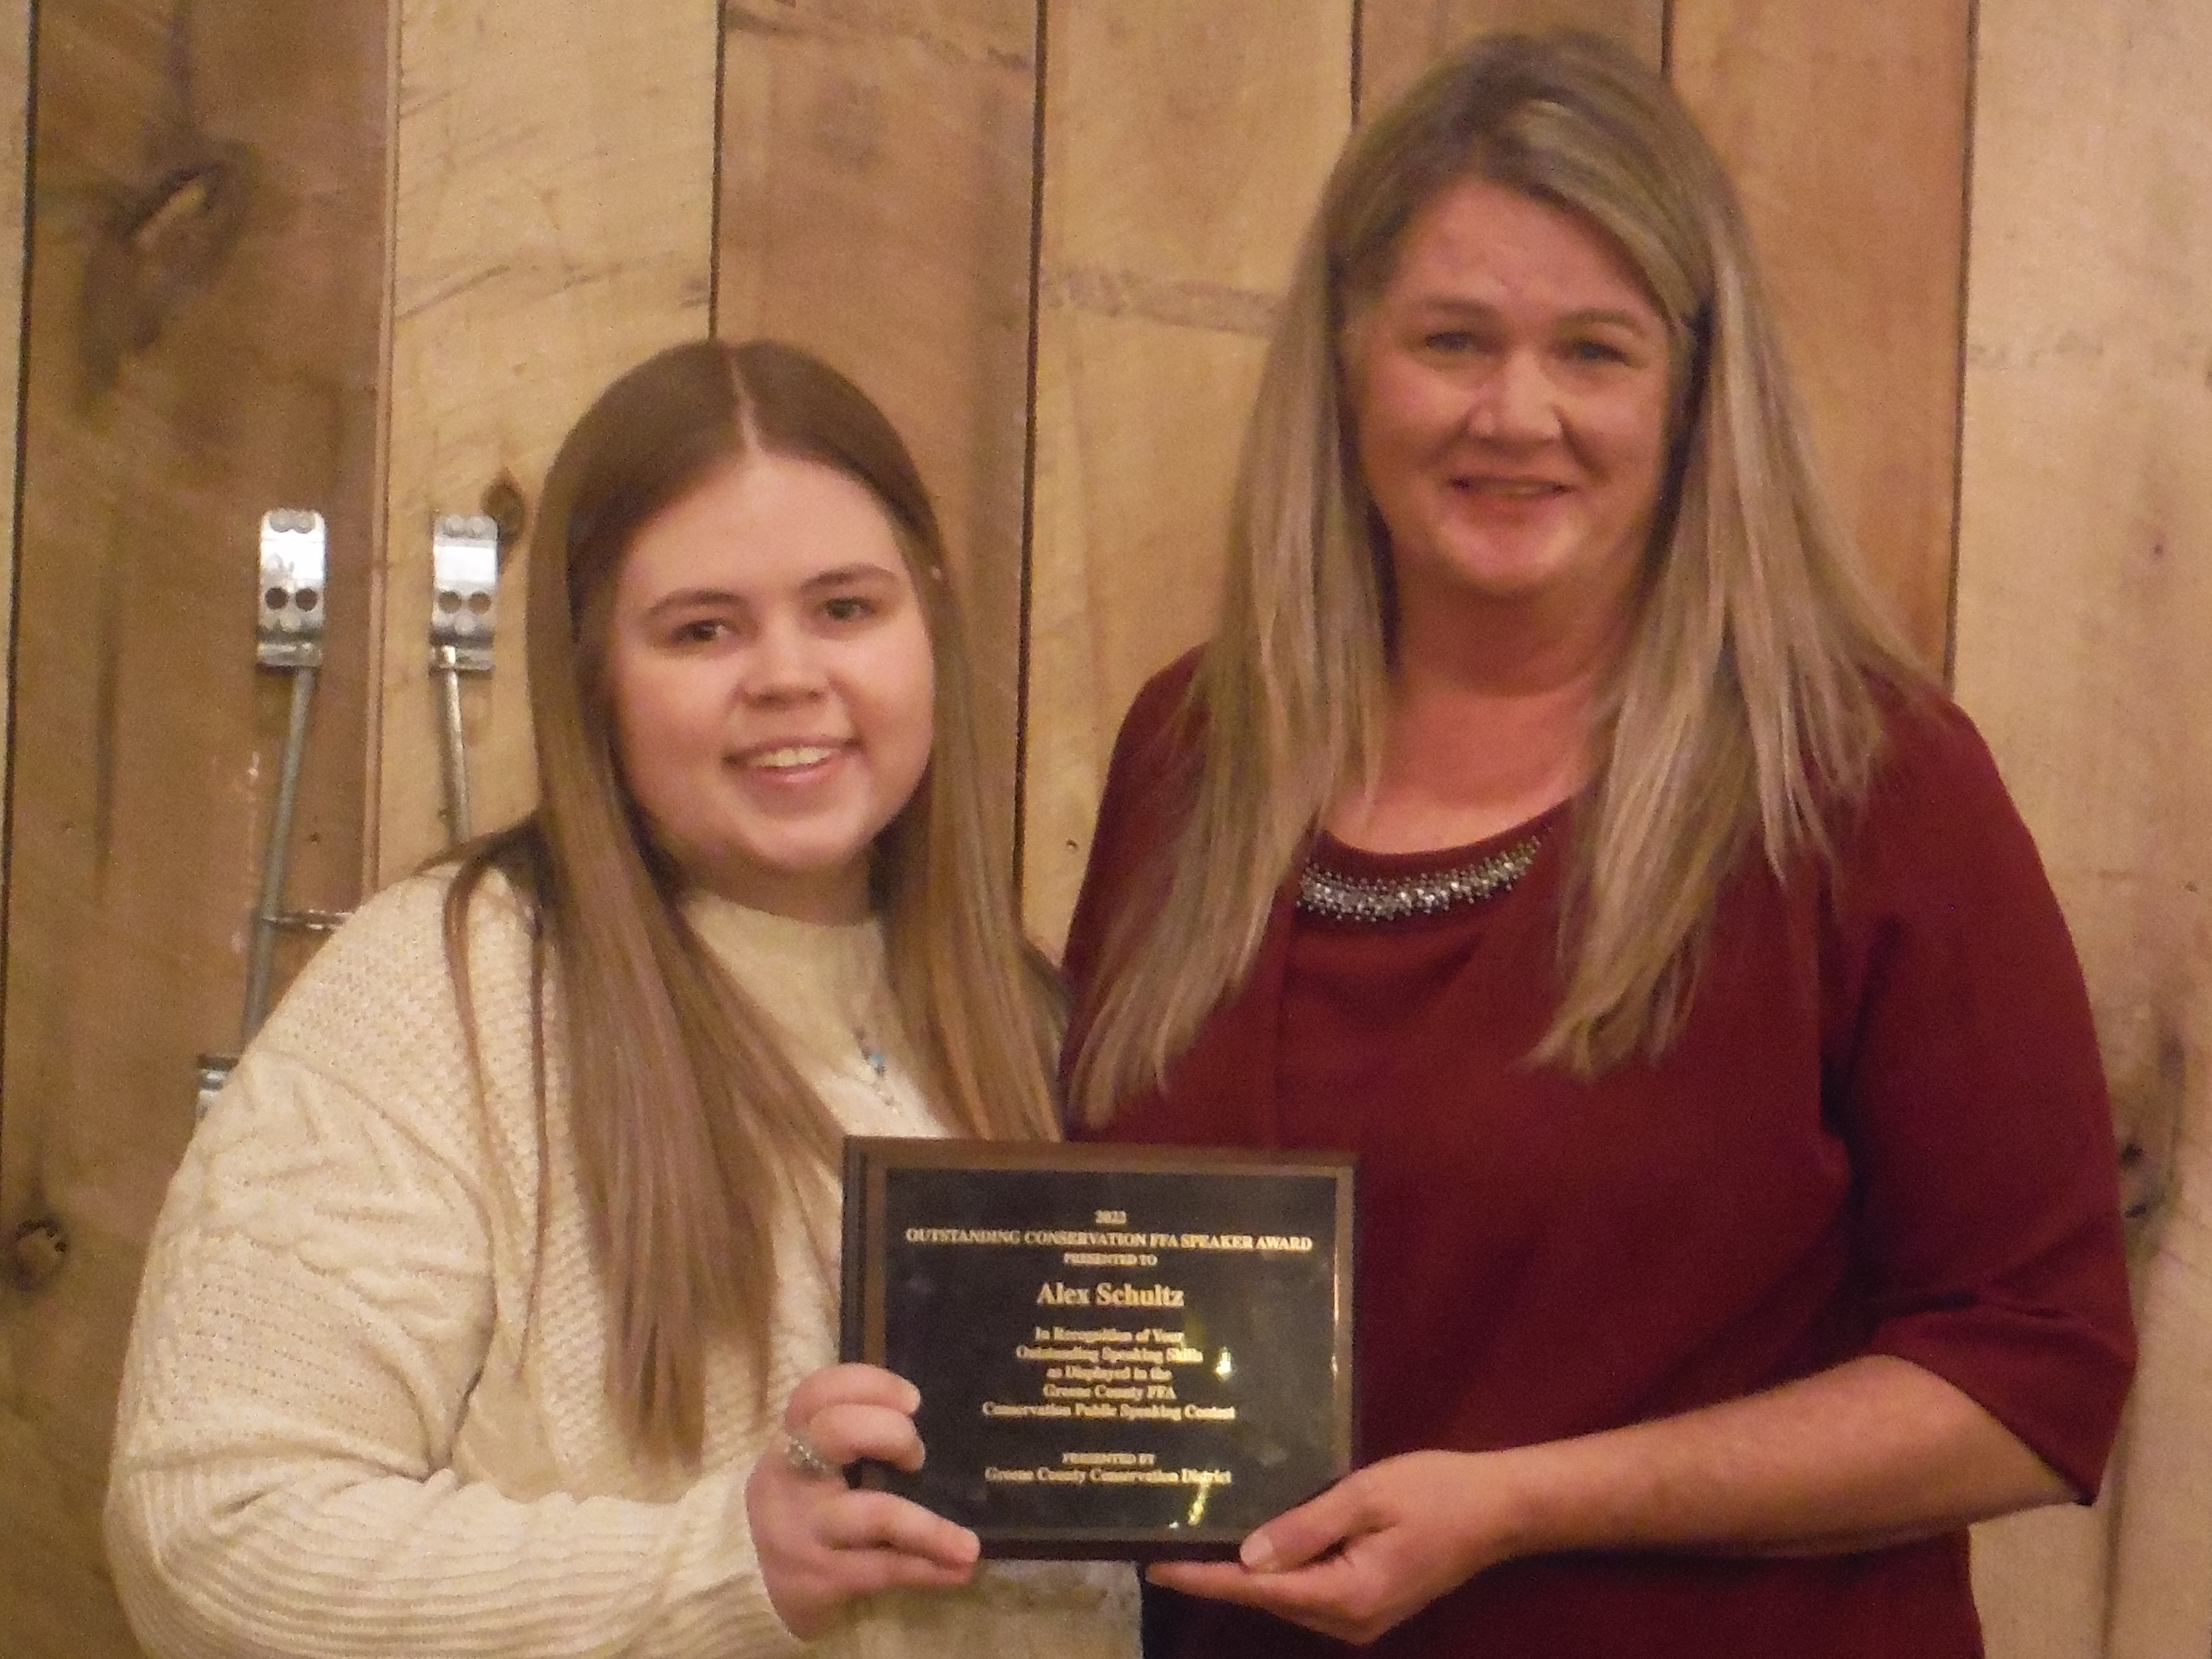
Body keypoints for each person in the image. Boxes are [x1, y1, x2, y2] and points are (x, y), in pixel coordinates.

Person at [1060, 30, 2133, 1659]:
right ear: (1349, 362)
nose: (1517, 412)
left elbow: (2030, 1380)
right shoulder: (1196, 751)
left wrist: (1525, 1502)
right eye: (1453, 340)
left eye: (1594, 351)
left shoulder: (1863, 787)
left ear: (1695, 392)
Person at [104, 339, 1139, 1658]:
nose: (786, 675)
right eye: (702, 628)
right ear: (596, 670)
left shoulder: (1032, 1020)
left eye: (845, 608)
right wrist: (716, 1567)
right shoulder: (442, 991)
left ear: (929, 615)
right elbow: (208, 1534)